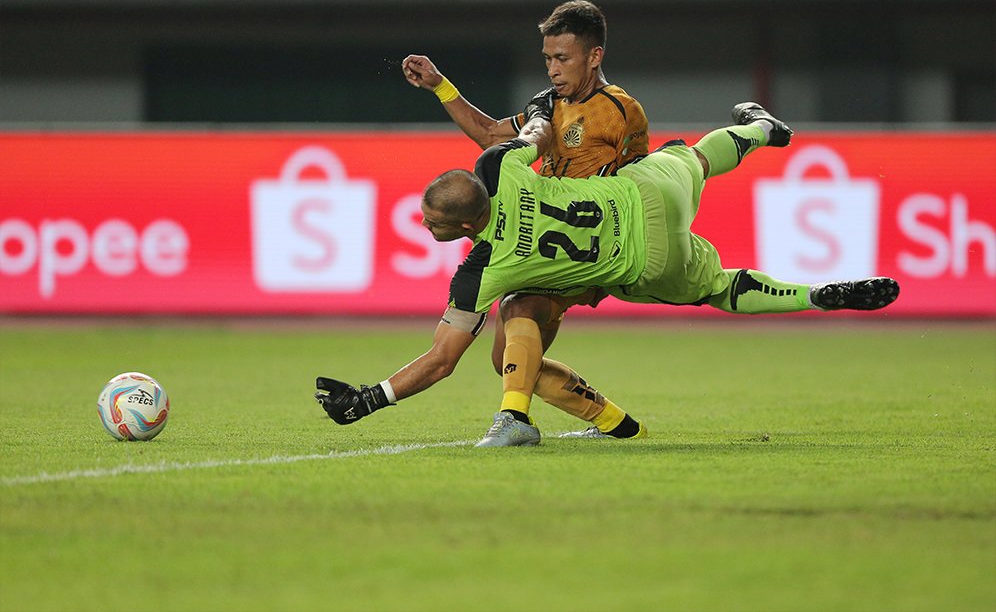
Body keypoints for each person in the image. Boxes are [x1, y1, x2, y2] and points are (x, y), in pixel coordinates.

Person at [315, 102, 901, 446]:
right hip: (644, 195)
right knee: (692, 156)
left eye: (430, 222)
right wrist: (540, 114)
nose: (425, 228)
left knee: (724, 288)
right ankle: (761, 131)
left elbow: (442, 360)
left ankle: (813, 295)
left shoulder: (480, 269)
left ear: (461, 224)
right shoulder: (503, 165)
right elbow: (532, 135)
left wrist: (368, 400)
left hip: (647, 266)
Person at [401, 0, 652, 439]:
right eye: (547, 59)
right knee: (510, 360)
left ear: (594, 57)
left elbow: (639, 180)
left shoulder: (619, 110)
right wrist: (442, 87)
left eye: (562, 58)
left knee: (519, 308)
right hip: (549, 236)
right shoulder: (550, 104)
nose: (553, 69)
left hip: (588, 241)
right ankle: (618, 425)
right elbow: (490, 134)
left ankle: (514, 421)